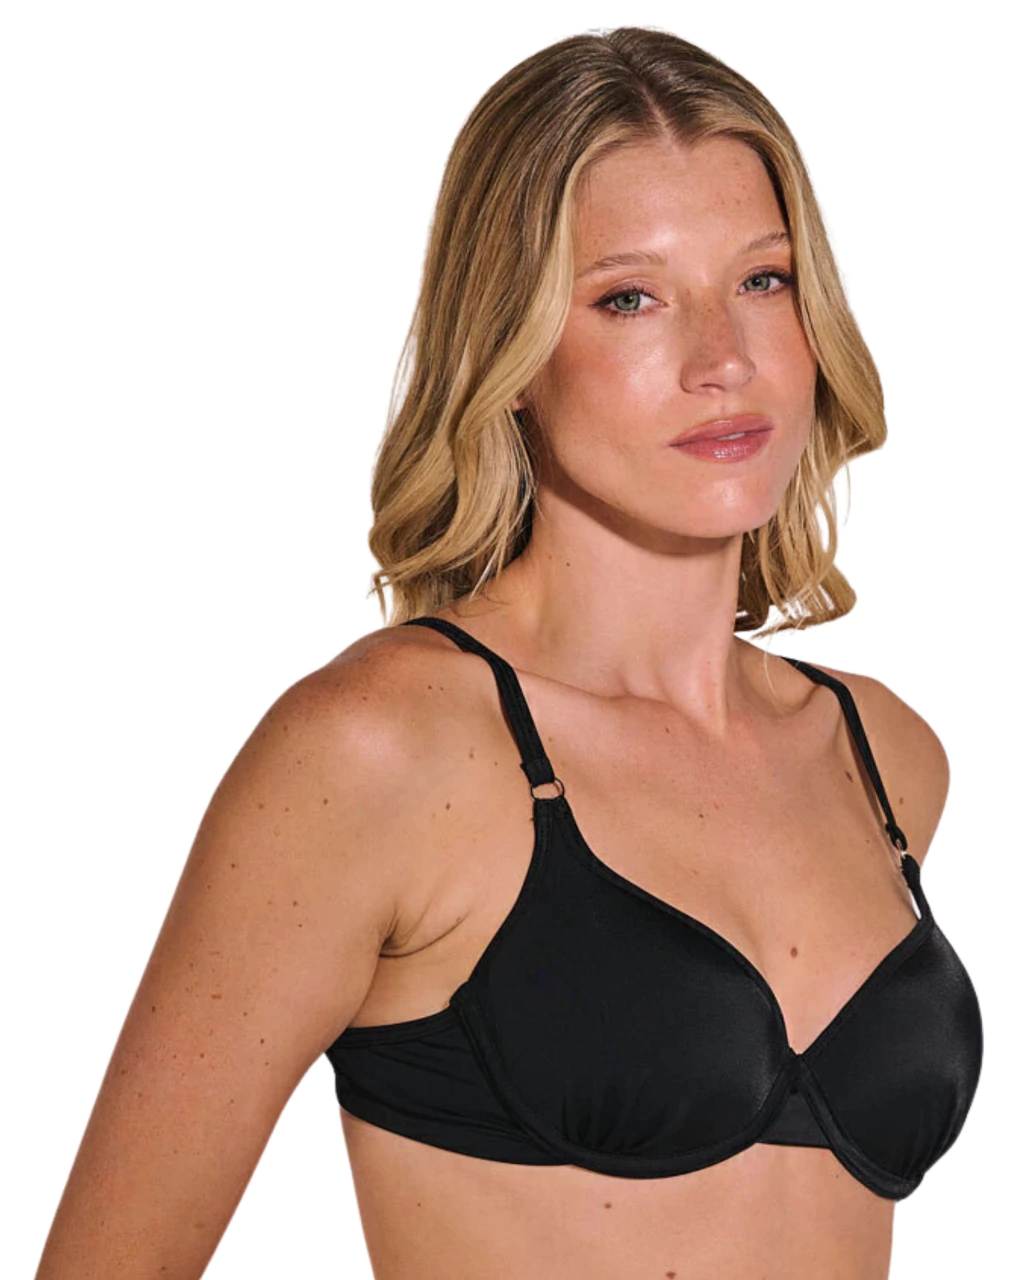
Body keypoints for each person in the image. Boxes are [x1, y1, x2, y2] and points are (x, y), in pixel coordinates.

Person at [34, 25, 983, 1280]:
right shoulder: (382, 752)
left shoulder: (881, 755)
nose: (724, 359)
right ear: (513, 351)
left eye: (763, 279)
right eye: (629, 297)